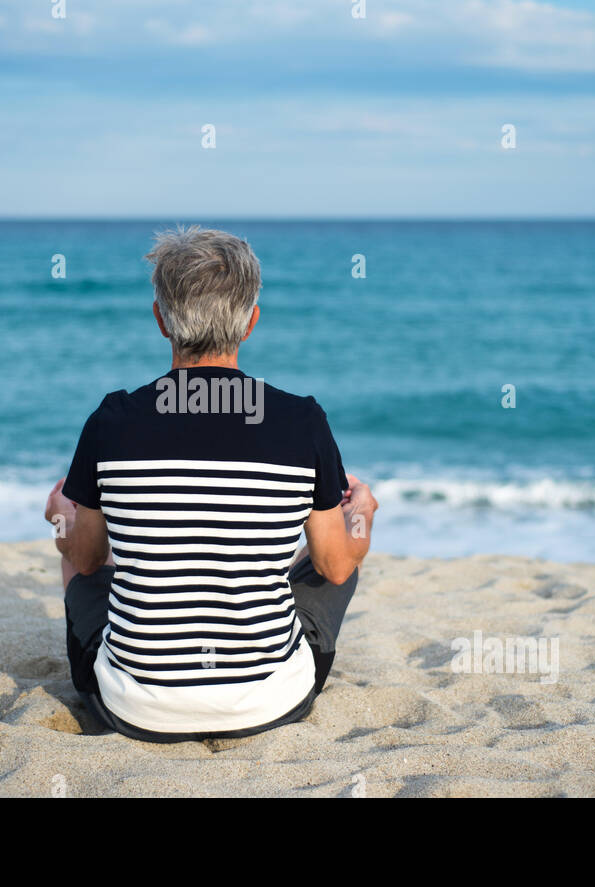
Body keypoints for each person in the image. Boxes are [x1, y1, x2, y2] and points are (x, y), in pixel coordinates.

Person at [43, 226, 377, 742]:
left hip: (135, 710)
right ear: (250, 323)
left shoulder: (113, 420)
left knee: (82, 548)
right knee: (332, 560)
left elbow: (86, 559)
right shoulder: (301, 421)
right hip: (270, 704)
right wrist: (363, 510)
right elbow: (335, 565)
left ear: (161, 319)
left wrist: (60, 513)